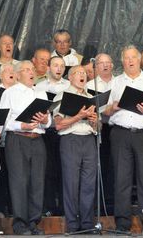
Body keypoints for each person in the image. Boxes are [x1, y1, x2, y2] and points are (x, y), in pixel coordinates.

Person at [104, 45, 143, 231]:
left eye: (133, 57)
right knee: (121, 179)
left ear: (139, 60)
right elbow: (104, 111)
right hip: (121, 134)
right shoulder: (114, 82)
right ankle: (122, 224)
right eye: (126, 58)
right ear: (122, 61)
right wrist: (113, 107)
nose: (130, 61)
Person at [0, 60, 51, 235]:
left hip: (38, 140)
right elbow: (3, 121)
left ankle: (33, 222)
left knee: (37, 181)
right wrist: (22, 126)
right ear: (18, 74)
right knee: (19, 181)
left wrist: (45, 121)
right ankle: (20, 223)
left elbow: (48, 121)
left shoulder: (41, 93)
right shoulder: (9, 93)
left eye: (32, 70)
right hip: (17, 140)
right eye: (26, 70)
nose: (31, 72)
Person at [53, 65, 98, 233]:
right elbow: (58, 124)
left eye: (84, 73)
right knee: (71, 183)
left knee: (88, 183)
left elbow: (98, 126)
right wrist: (79, 116)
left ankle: (87, 224)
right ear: (70, 78)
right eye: (78, 73)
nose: (82, 76)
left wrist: (94, 120)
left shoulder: (90, 97)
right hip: (70, 140)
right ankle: (72, 224)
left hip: (88, 140)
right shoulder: (62, 96)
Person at [35, 56, 69, 216]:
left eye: (62, 66)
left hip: (65, 132)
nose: (59, 68)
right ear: (48, 67)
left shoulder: (69, 85)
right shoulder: (39, 87)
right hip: (46, 132)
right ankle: (48, 207)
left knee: (65, 170)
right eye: (55, 65)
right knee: (48, 170)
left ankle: (64, 207)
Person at [86, 53, 116, 208]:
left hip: (117, 127)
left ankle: (113, 203)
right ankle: (101, 204)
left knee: (116, 167)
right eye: (101, 63)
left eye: (108, 63)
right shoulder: (90, 86)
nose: (105, 66)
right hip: (100, 128)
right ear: (96, 67)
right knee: (101, 165)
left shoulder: (119, 82)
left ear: (112, 65)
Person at [0, 64, 16, 217]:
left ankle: (14, 208)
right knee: (1, 174)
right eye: (7, 71)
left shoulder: (21, 91)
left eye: (13, 71)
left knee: (15, 175)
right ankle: (0, 208)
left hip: (15, 139)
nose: (11, 73)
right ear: (0, 75)